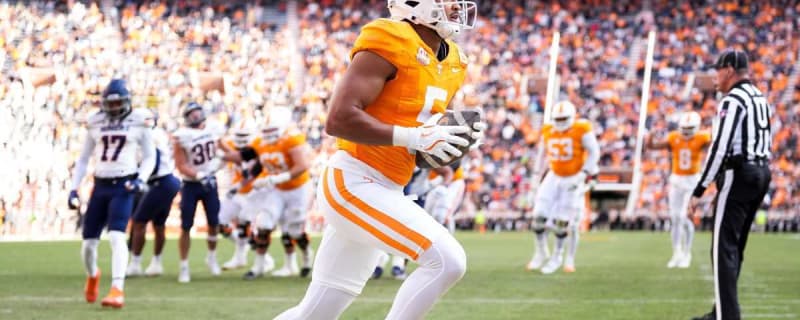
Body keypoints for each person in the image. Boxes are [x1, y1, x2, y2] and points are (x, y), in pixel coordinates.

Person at [273, 1, 484, 318]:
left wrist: (454, 139)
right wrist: (413, 137)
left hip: (389, 187)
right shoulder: (390, 36)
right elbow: (339, 119)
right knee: (448, 261)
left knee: (315, 314)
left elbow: (429, 142)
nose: (456, 6)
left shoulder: (455, 59)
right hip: (355, 181)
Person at [690, 50, 772, 320]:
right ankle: (720, 312)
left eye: (718, 70)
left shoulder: (733, 99)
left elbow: (720, 146)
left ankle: (727, 316)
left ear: (729, 70)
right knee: (735, 248)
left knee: (722, 248)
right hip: (760, 172)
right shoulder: (759, 96)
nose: (715, 76)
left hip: (739, 173)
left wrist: (701, 188)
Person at [68, 79, 156, 308]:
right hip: (100, 186)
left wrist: (141, 180)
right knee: (88, 244)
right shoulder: (95, 121)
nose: (115, 108)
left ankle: (117, 288)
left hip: (124, 185)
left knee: (117, 236)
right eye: (111, 103)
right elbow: (84, 158)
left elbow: (149, 156)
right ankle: (93, 275)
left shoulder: (139, 120)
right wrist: (73, 188)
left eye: (119, 103)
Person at [526, 100, 599, 275]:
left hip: (573, 177)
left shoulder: (582, 129)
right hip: (553, 175)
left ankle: (559, 257)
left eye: (563, 118)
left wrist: (584, 175)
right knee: (538, 217)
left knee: (563, 223)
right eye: (557, 119)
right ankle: (541, 252)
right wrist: (535, 178)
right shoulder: (547, 129)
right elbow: (542, 154)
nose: (559, 122)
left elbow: (595, 152)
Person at [172, 102, 234, 283]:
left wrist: (232, 159)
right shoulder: (181, 136)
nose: (195, 117)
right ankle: (184, 266)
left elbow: (227, 150)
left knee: (214, 223)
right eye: (191, 114)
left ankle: (212, 257)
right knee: (185, 226)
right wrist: (199, 175)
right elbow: (181, 164)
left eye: (197, 113)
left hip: (211, 181)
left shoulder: (214, 128)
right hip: (191, 184)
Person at [250, 106, 314, 278]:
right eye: (266, 130)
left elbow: (303, 166)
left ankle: (307, 257)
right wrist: (261, 179)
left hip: (297, 188)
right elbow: (264, 165)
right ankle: (258, 266)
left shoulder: (292, 139)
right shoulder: (259, 142)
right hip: (276, 189)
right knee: (263, 224)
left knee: (294, 230)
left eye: (273, 130)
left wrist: (281, 177)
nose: (268, 134)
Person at [647, 111, 711, 269]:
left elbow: (717, 147)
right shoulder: (674, 137)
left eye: (690, 128)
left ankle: (687, 253)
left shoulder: (703, 137)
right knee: (675, 218)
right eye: (684, 128)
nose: (686, 131)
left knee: (684, 217)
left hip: (692, 180)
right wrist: (651, 135)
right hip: (676, 180)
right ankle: (677, 253)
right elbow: (651, 146)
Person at [126, 109, 181, 277]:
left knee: (139, 221)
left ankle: (135, 263)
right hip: (166, 181)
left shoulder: (150, 135)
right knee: (158, 225)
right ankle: (156, 263)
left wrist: (137, 177)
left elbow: (153, 163)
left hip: (159, 181)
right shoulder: (157, 133)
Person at [217, 120, 267, 271]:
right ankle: (241, 253)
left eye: (244, 135)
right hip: (237, 191)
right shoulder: (232, 145)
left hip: (255, 191)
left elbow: (252, 171)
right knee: (219, 222)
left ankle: (261, 258)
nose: (240, 138)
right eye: (238, 135)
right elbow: (225, 160)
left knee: (245, 225)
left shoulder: (260, 147)